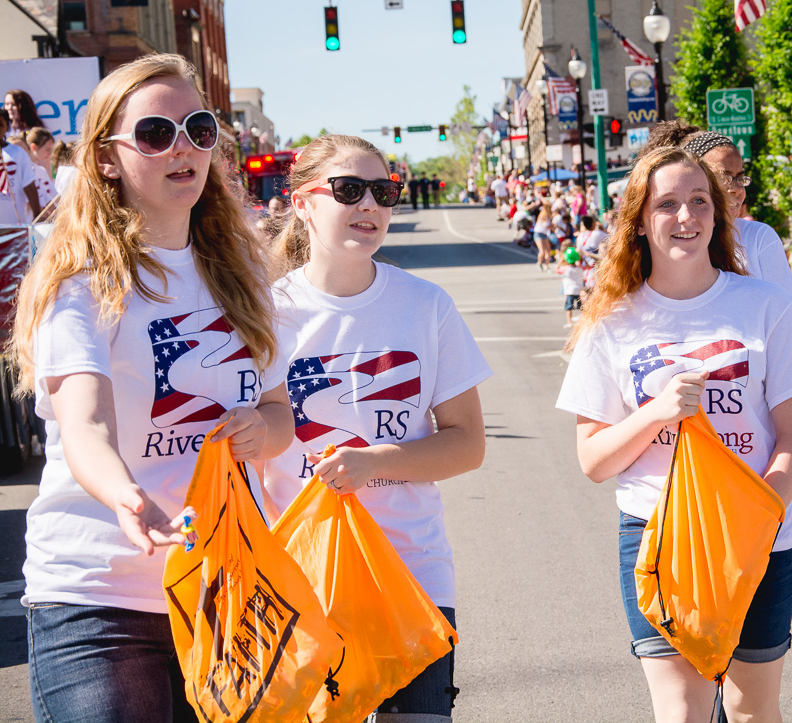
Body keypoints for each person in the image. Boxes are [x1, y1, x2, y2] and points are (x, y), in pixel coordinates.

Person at [11, 53, 291, 722]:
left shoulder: (243, 271)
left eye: (198, 129)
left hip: (223, 588)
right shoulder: (79, 283)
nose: (184, 148)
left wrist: (264, 429)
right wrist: (125, 494)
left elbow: (281, 411)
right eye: (156, 135)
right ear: (107, 159)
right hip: (98, 597)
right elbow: (84, 425)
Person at [556, 146, 792, 721]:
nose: (686, 216)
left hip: (757, 537)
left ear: (718, 215)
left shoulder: (766, 307)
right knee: (682, 711)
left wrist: (760, 514)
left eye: (699, 201)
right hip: (658, 539)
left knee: (751, 709)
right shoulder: (611, 322)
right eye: (668, 204)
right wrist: (656, 412)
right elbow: (594, 460)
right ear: (639, 219)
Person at [264, 134, 488, 721]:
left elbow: (467, 443)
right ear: (303, 202)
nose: (371, 205)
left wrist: (379, 462)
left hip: (413, 575)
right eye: (349, 190)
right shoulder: (263, 312)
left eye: (384, 192)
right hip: (303, 581)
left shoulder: (425, 304)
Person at [646, 121, 792, 307]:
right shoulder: (668, 242)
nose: (736, 189)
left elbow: (788, 315)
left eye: (739, 178)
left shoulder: (758, 237)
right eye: (723, 177)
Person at [0, 109, 40, 223]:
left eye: (0, 124)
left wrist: (37, 215)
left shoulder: (18, 152)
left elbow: (29, 185)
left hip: (14, 223)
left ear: (7, 127)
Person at [23, 127, 57, 217]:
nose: (50, 153)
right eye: (47, 149)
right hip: (29, 223)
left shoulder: (41, 170)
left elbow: (53, 199)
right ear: (34, 147)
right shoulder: (23, 169)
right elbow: (28, 202)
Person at [557, 246, 584, 327]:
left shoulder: (565, 268)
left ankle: (569, 322)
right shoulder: (580, 268)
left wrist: (560, 261)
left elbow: (557, 270)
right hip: (579, 289)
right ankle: (583, 320)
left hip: (569, 290)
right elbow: (588, 266)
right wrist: (582, 258)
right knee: (581, 307)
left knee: (569, 308)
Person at [532, 203, 554, 271]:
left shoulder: (548, 214)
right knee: (542, 251)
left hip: (544, 234)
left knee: (548, 251)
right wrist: (552, 228)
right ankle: (539, 263)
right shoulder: (544, 214)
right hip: (538, 233)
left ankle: (546, 266)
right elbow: (544, 224)